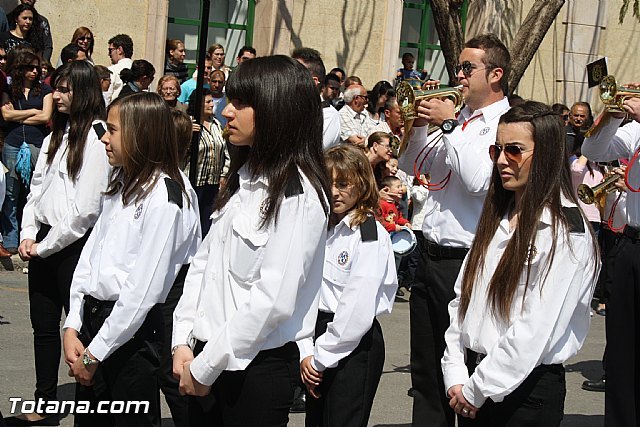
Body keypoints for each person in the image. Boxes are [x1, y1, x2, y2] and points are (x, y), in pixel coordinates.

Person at [171, 55, 331, 427]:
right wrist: (183, 339)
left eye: (242, 103)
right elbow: (204, 265)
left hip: (253, 372)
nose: (228, 111)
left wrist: (205, 368)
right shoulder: (244, 176)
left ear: (278, 110)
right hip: (205, 358)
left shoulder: (298, 193)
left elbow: (272, 300)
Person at [442, 101, 599, 426]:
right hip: (474, 384)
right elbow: (464, 298)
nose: (501, 160)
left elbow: (534, 330)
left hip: (524, 396)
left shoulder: (564, 230)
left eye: (513, 150)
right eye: (496, 150)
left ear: (545, 155)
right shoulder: (499, 214)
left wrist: (476, 389)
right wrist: (456, 370)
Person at [62, 92, 201, 426]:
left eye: (112, 131)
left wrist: (96, 352)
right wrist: (72, 325)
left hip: (131, 336)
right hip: (97, 325)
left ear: (141, 134)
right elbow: (90, 258)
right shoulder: (121, 181)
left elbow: (142, 292)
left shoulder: (165, 198)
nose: (104, 140)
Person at [402, 33, 511, 427]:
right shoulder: (460, 120)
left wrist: (449, 123)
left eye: (468, 68)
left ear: (495, 74)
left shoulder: (504, 123)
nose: (458, 75)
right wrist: (417, 128)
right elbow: (413, 166)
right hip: (429, 254)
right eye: (458, 67)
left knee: (465, 368)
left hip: (468, 260)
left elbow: (479, 180)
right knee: (427, 370)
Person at [3, 61, 110, 427]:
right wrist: (29, 232)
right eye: (57, 88)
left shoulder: (97, 138)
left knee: (79, 330)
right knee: (44, 327)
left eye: (65, 89)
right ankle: (45, 397)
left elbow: (85, 210)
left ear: (84, 91)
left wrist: (46, 247)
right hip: (44, 241)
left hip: (75, 247)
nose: (58, 96)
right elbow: (37, 189)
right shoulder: (54, 136)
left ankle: (91, 404)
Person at [299, 143, 397, 426]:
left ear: (362, 184)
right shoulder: (322, 227)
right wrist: (307, 350)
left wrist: (319, 358)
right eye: (327, 183)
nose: (333, 192)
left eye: (343, 184)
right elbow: (305, 292)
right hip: (317, 336)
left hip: (353, 343)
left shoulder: (367, 233)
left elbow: (357, 306)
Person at [581, 93, 640, 427]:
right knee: (621, 350)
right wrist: (613, 115)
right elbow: (593, 151)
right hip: (630, 242)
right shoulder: (636, 132)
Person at [0, 49, 53, 255]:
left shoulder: (45, 90)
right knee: (11, 194)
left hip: (37, 144)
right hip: (13, 144)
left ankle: (32, 237)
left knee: (36, 191)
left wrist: (17, 116)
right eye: (29, 67)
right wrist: (32, 111)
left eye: (36, 68)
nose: (34, 71)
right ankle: (11, 239)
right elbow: (5, 115)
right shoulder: (9, 90)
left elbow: (45, 116)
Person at [184, 87, 229, 236]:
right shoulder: (189, 124)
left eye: (212, 101)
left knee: (207, 219)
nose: (211, 105)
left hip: (213, 182)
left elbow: (225, 150)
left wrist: (224, 174)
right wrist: (187, 134)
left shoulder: (216, 124)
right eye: (208, 102)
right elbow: (180, 152)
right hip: (194, 182)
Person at [291, 47, 341, 149]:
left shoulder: (328, 115)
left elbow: (309, 153)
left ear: (313, 82)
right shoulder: (285, 106)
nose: (287, 77)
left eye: (294, 73)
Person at [106, 33, 133, 103]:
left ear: (120, 50)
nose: (109, 54)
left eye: (110, 50)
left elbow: (106, 97)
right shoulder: (141, 70)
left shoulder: (111, 71)